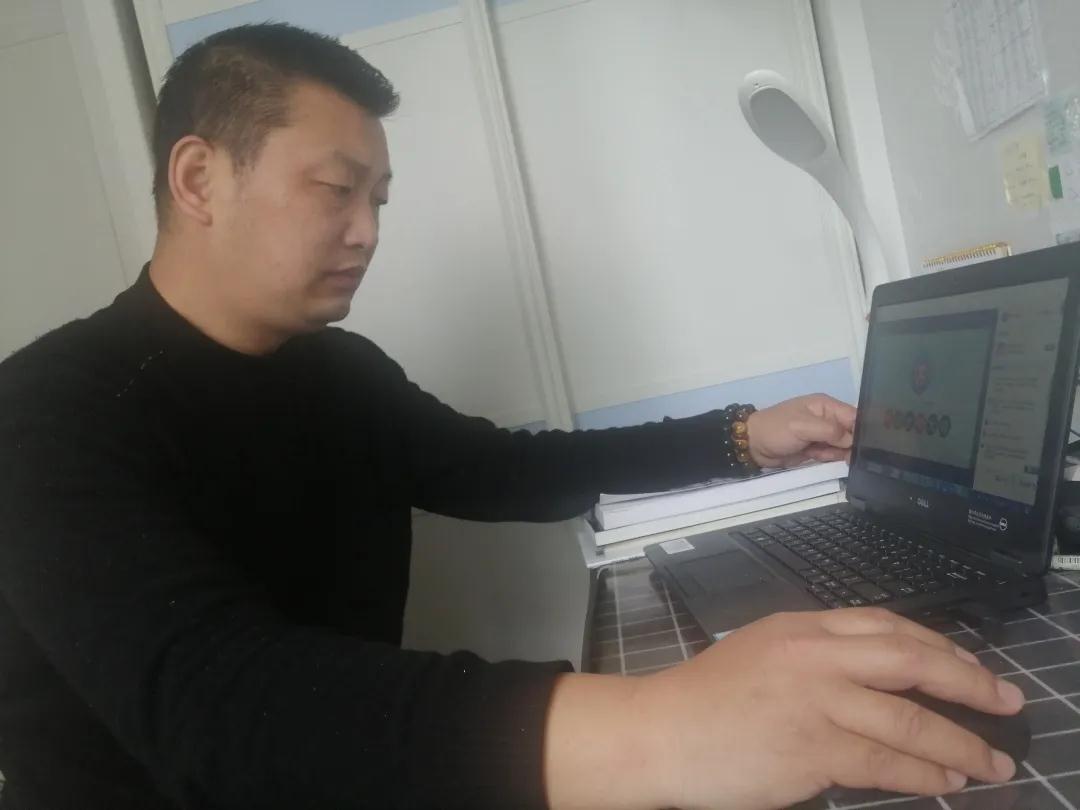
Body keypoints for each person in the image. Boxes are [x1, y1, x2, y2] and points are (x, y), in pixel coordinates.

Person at [0, 23, 1021, 810]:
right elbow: (220, 709)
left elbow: (508, 471)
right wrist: (665, 723)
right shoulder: (47, 413)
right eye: (336, 190)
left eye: (379, 200)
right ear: (198, 179)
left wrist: (742, 436)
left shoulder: (338, 375)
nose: (366, 232)